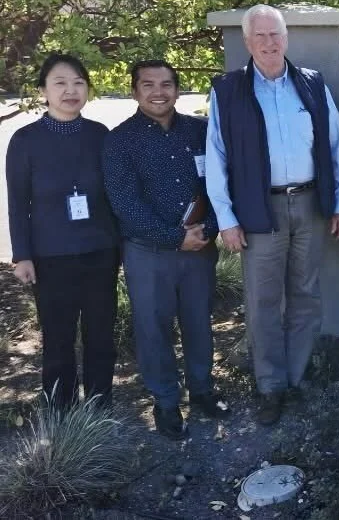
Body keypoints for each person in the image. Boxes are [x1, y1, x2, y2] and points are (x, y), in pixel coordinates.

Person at [206, 4, 339, 425]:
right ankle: (270, 385)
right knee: (263, 301)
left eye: (276, 35)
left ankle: (297, 377)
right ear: (248, 42)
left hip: (309, 205)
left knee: (306, 295)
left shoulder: (311, 84)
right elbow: (216, 156)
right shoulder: (228, 90)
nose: (270, 44)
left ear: (286, 39)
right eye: (261, 36)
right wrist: (227, 219)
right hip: (258, 209)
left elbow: (334, 147)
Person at [103, 61, 229, 438]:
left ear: (177, 89)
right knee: (153, 329)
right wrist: (175, 238)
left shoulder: (201, 131)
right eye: (148, 85)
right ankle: (166, 402)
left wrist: (208, 229)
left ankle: (203, 390)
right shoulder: (119, 140)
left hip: (200, 249)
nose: (158, 91)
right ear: (134, 91)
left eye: (166, 84)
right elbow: (124, 203)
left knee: (198, 322)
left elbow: (220, 185)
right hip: (148, 253)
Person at [6, 54, 118, 411]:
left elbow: (115, 196)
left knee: (101, 336)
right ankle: (61, 412)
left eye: (79, 83)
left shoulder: (100, 135)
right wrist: (22, 254)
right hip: (50, 257)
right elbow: (17, 202)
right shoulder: (25, 141)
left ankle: (101, 406)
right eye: (60, 83)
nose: (71, 91)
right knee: (58, 339)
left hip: (100, 253)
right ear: (43, 91)